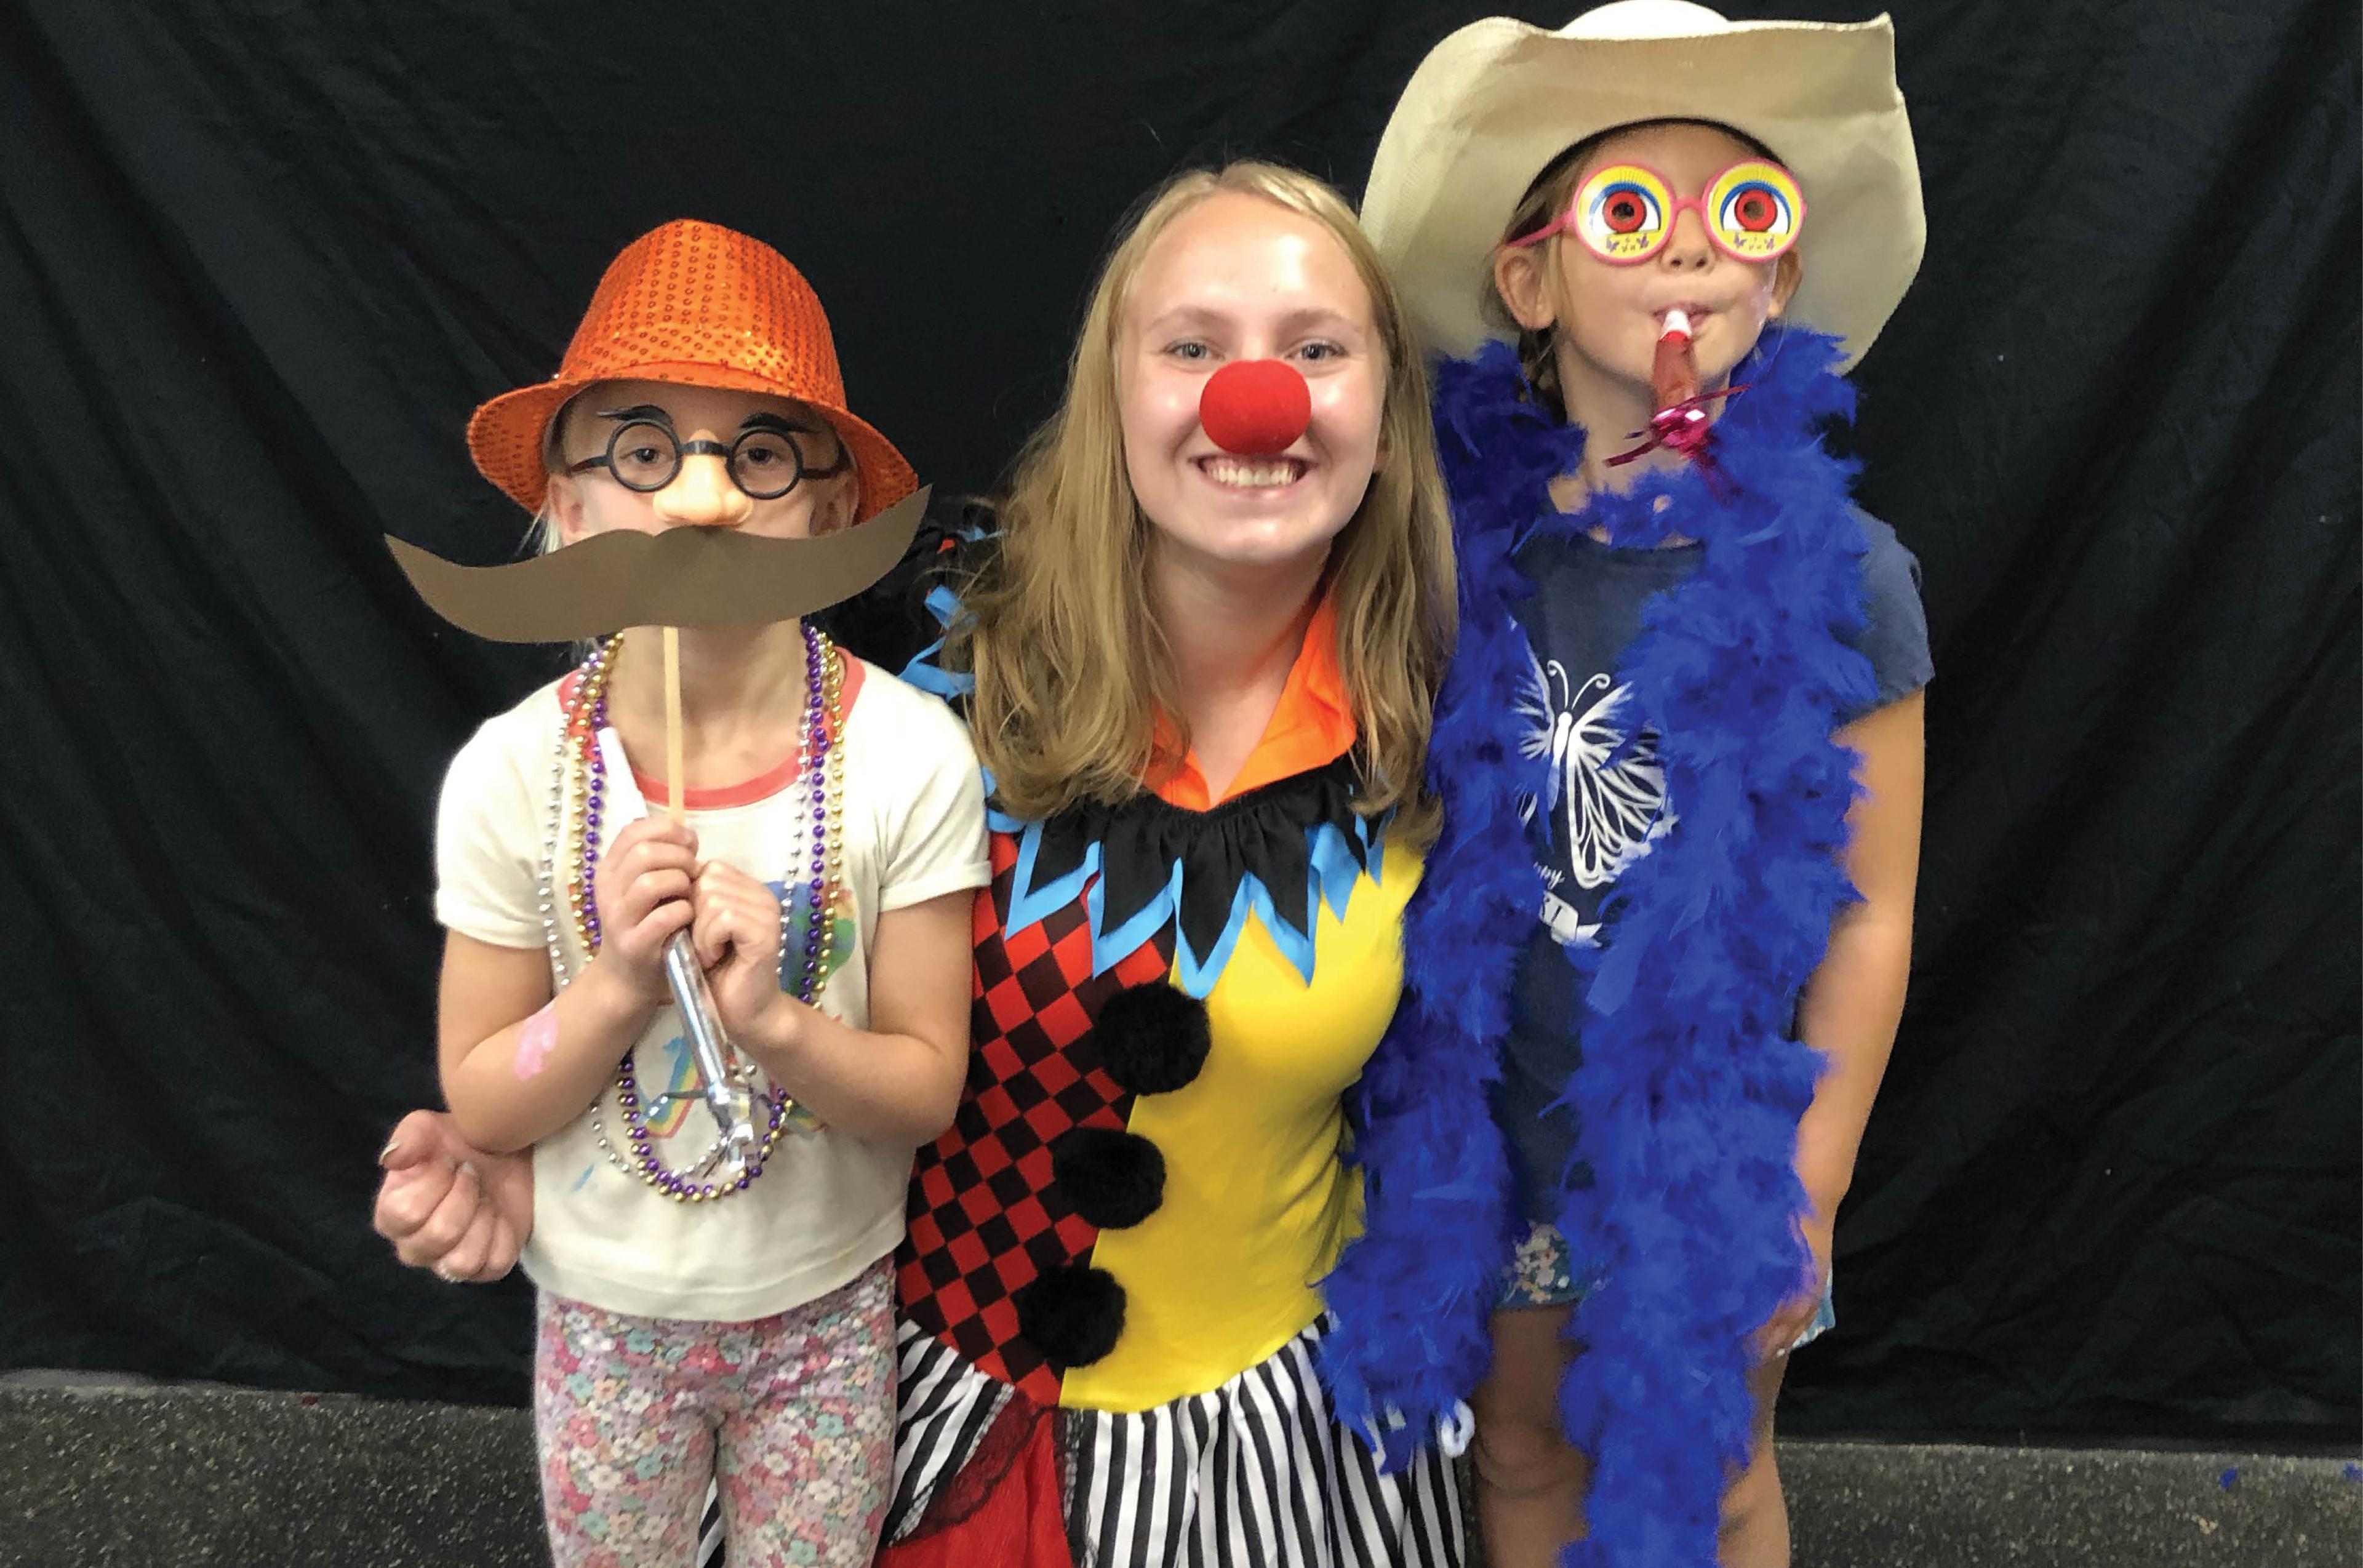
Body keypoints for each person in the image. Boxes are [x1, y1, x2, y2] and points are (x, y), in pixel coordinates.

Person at [381, 164, 1478, 1567]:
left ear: (1386, 407)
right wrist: (532, 1155)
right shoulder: (926, 659)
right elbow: (673, 906)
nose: (1248, 398)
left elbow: (1516, 1086)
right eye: (1192, 346)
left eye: (1316, 348)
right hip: (892, 1405)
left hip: (1269, 1453)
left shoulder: (1462, 729)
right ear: (1113, 396)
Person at [1327, 5, 1933, 1565]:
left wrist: (1812, 1183)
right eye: (1629, 211)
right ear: (1529, 275)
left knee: (1717, 1474)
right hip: (1496, 1128)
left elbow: (1871, 920)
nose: (1688, 255)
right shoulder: (1448, 561)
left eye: (1742, 212)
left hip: (1723, 1146)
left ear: (1779, 276)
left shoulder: (1848, 578)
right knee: (1523, 1456)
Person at [412, 218, 989, 1566]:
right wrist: (616, 981)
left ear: (835, 509)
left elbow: (925, 1090)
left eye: (764, 454)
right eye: (646, 449)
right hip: (605, 1327)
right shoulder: (514, 773)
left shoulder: (909, 757)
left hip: (827, 1319)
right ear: (563, 503)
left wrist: (775, 1022)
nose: (705, 502)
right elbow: (489, 1093)